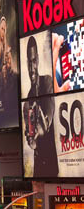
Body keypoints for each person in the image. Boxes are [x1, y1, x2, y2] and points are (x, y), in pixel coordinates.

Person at [22, 36, 58, 176]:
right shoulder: (26, 102)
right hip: (39, 171)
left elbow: (48, 117)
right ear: (26, 63)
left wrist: (41, 126)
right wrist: (31, 140)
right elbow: (33, 144)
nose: (32, 67)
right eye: (29, 63)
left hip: (51, 165)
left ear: (37, 60)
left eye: (34, 61)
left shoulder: (47, 82)